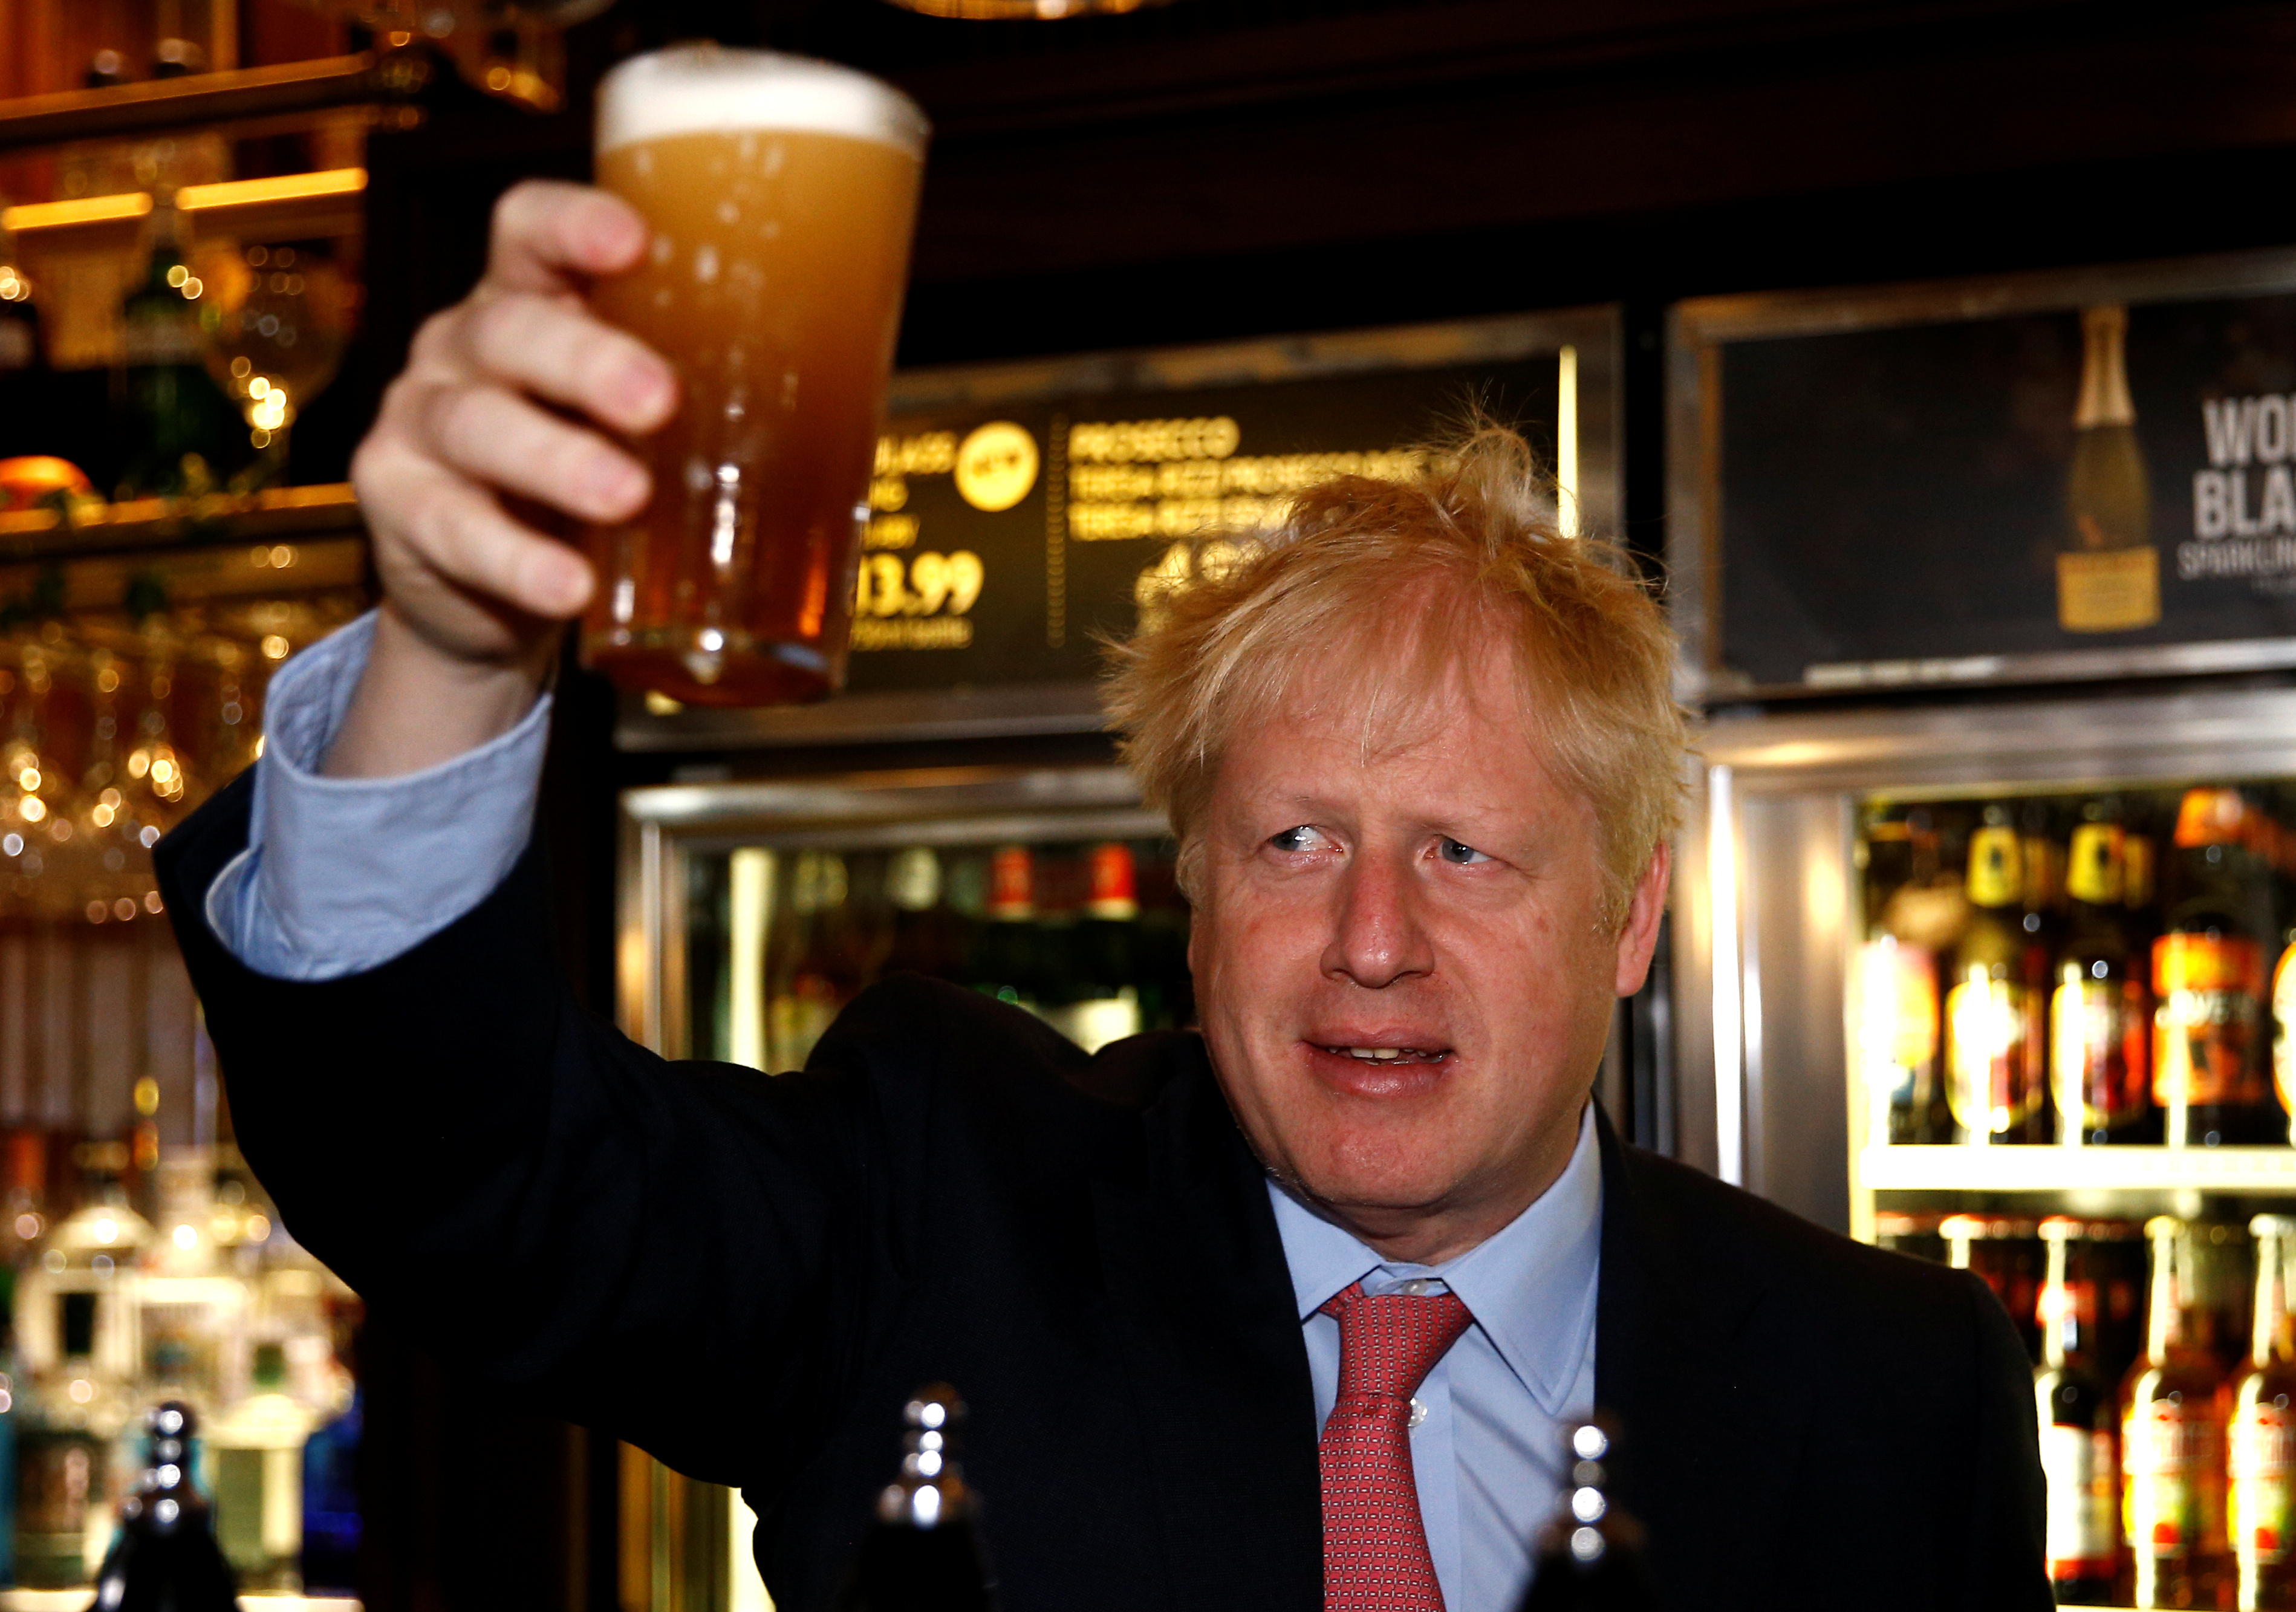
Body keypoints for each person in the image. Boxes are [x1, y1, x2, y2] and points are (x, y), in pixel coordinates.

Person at [156, 181, 2047, 1612]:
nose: (1371, 937)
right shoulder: (940, 1201)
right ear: (1193, 898)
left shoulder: (1894, 1390)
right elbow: (462, 1178)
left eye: (1465, 853)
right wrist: (457, 655)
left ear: (1633, 916)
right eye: (1294, 841)